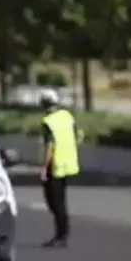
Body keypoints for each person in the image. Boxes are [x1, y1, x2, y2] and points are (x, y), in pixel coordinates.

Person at [39, 89, 82, 248]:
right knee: (61, 202)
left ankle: (61, 236)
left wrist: (44, 167)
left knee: (55, 203)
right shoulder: (67, 116)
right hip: (68, 164)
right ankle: (62, 234)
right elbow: (78, 136)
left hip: (55, 166)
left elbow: (50, 145)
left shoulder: (48, 121)